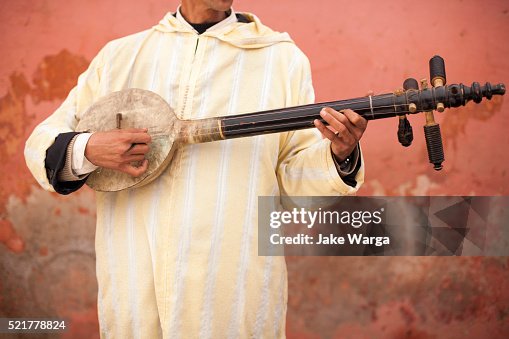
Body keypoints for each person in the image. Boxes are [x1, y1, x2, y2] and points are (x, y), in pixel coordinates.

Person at [25, 0, 367, 337]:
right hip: (134, 275)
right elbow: (43, 143)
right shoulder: (121, 57)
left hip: (230, 284)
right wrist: (88, 148)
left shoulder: (281, 59)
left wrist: (339, 155)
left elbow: (294, 181)